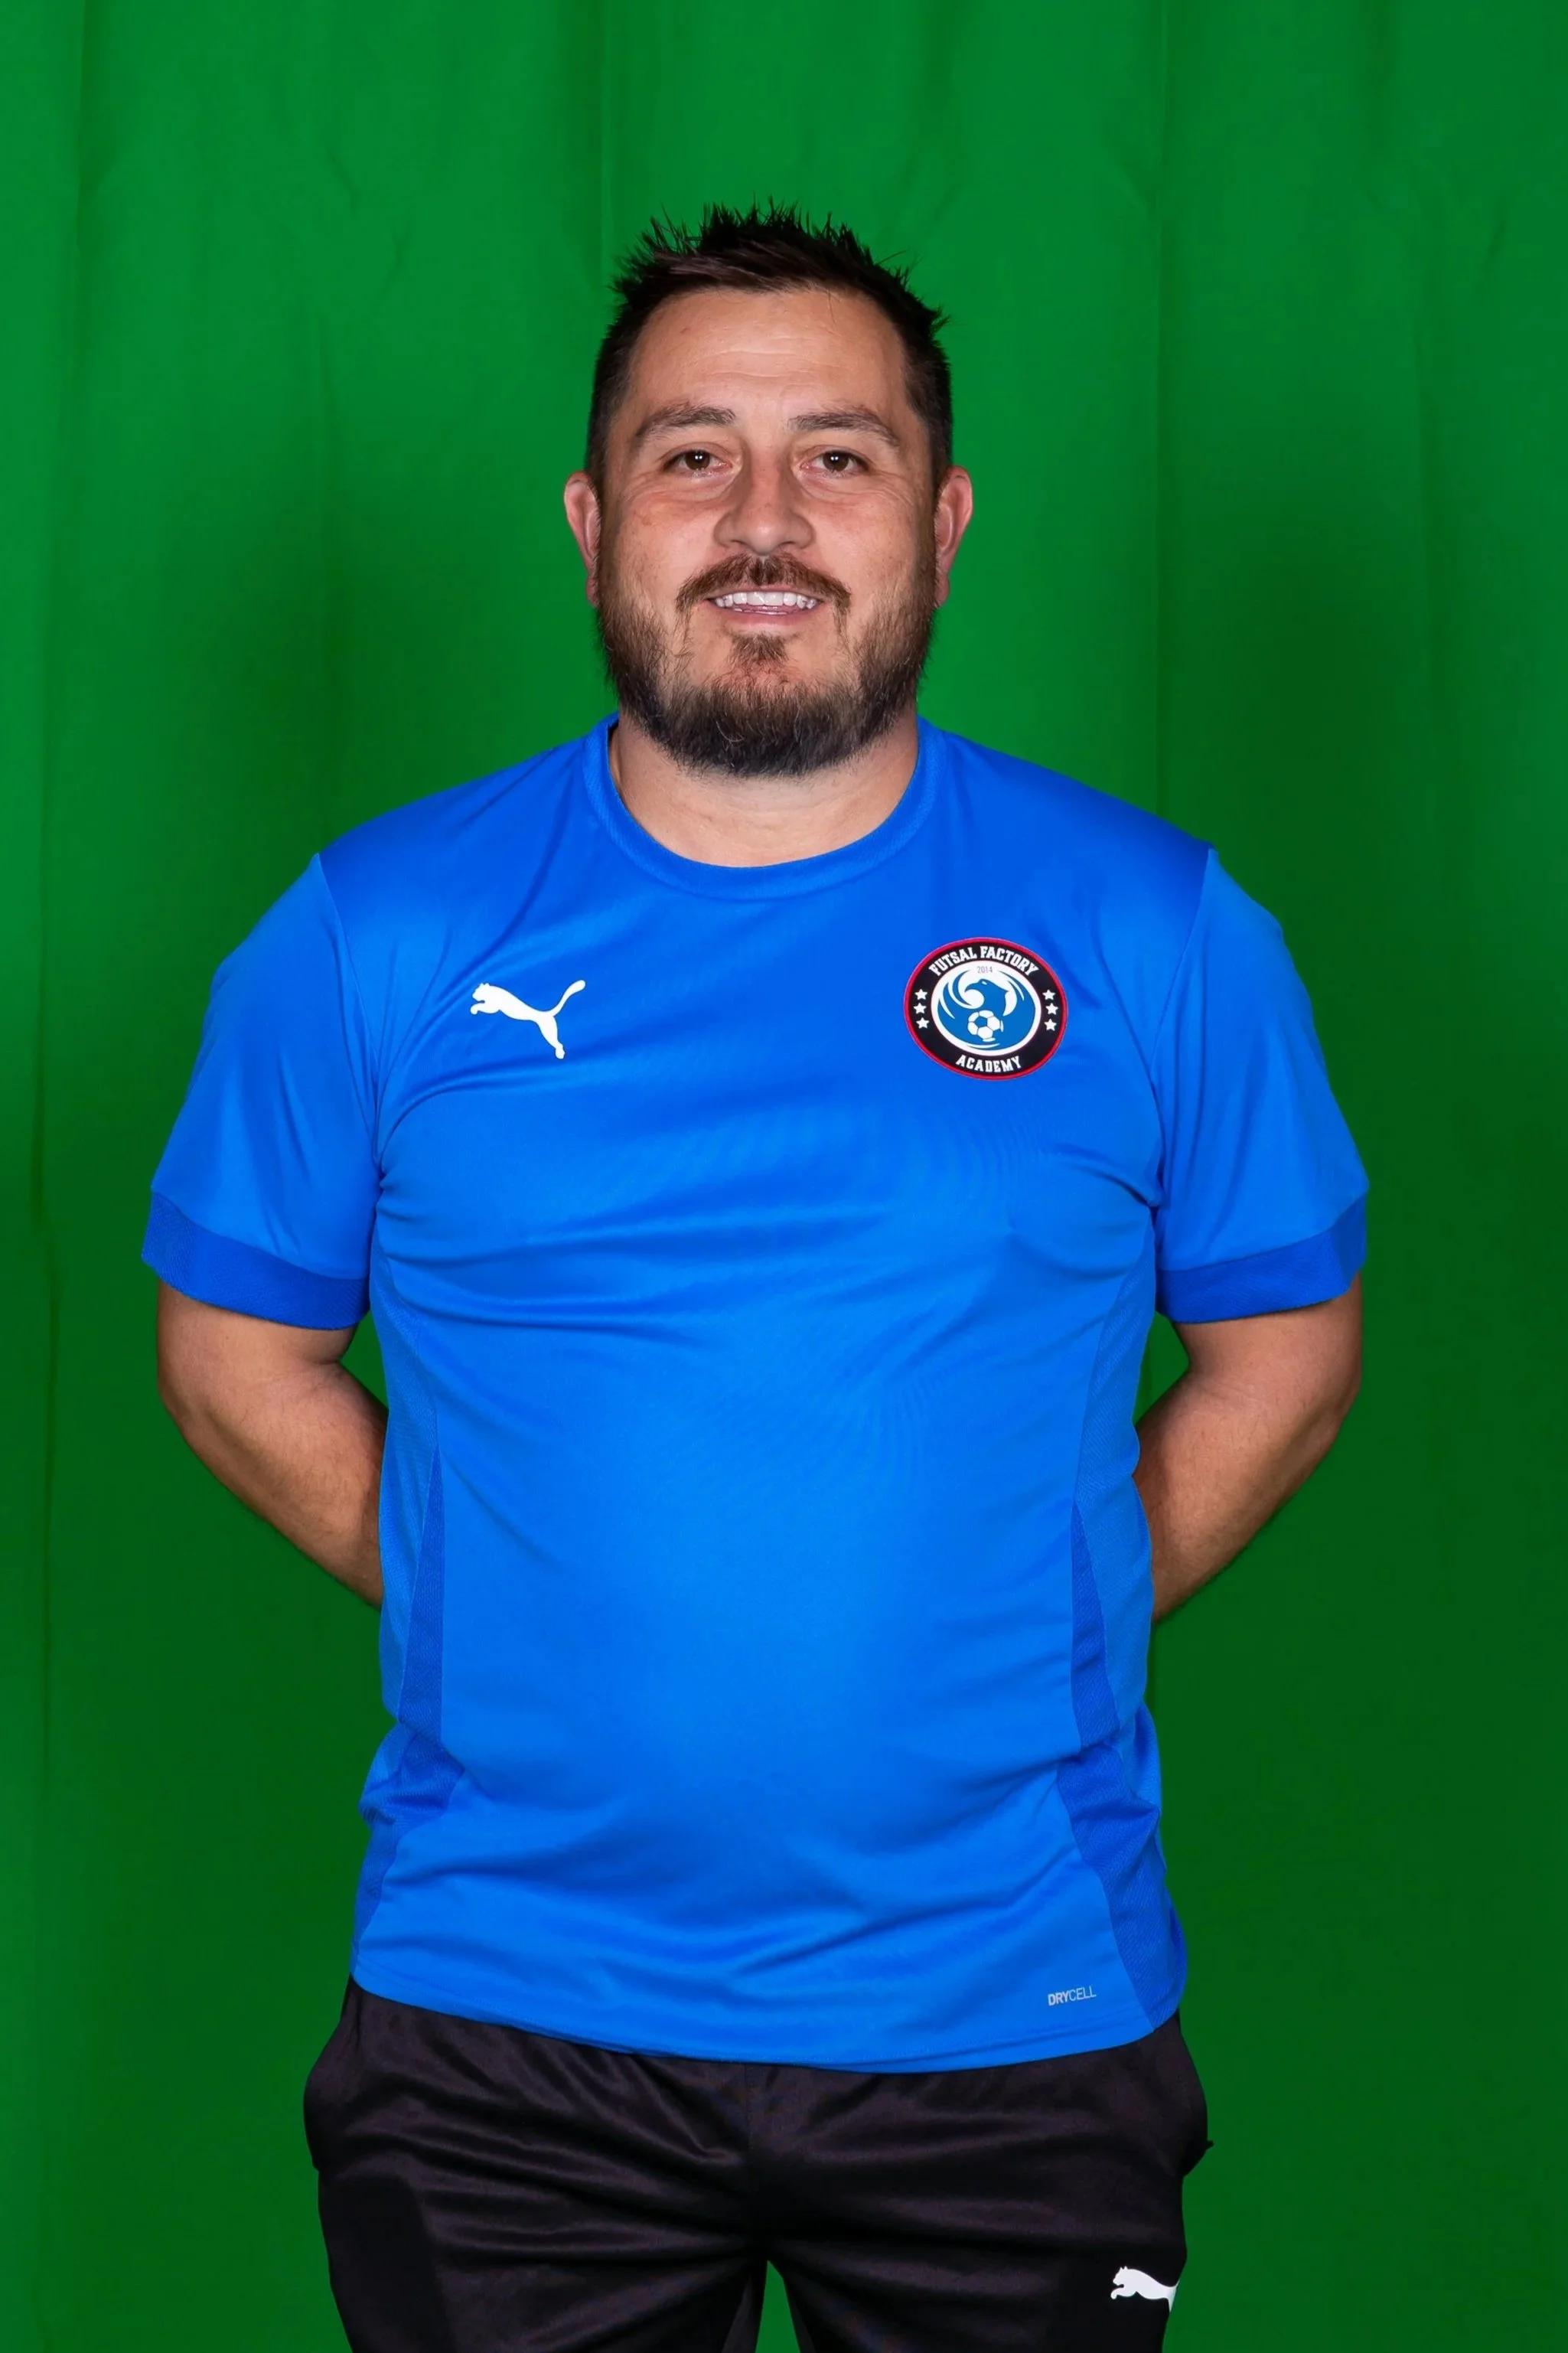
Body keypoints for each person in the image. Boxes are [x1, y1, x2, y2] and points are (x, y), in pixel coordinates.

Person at [145, 206, 1365, 2352]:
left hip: (1019, 2012)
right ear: (593, 521)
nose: (766, 520)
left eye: (841, 456)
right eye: (695, 455)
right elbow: (236, 1352)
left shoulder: (1159, 928)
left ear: (944, 523)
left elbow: (1285, 1354)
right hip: (503, 2025)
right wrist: (481, 1586)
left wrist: (1045, 1599)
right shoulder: (374, 931)